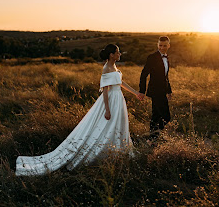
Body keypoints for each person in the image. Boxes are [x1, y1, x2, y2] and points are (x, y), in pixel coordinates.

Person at [16, 44, 141, 176]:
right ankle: (103, 153)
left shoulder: (114, 66)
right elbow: (105, 91)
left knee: (119, 125)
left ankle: (119, 152)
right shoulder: (106, 68)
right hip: (111, 100)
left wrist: (135, 93)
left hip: (118, 98)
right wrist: (107, 110)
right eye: (117, 52)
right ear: (111, 54)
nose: (119, 54)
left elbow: (121, 82)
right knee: (107, 125)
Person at [139, 36, 172, 141]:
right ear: (157, 45)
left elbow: (165, 77)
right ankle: (155, 136)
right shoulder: (152, 57)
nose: (162, 48)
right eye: (160, 45)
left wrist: (169, 91)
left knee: (156, 116)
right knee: (166, 117)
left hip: (163, 91)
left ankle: (153, 138)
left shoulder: (166, 58)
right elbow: (144, 74)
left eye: (164, 45)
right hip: (155, 91)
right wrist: (142, 91)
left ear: (168, 46)